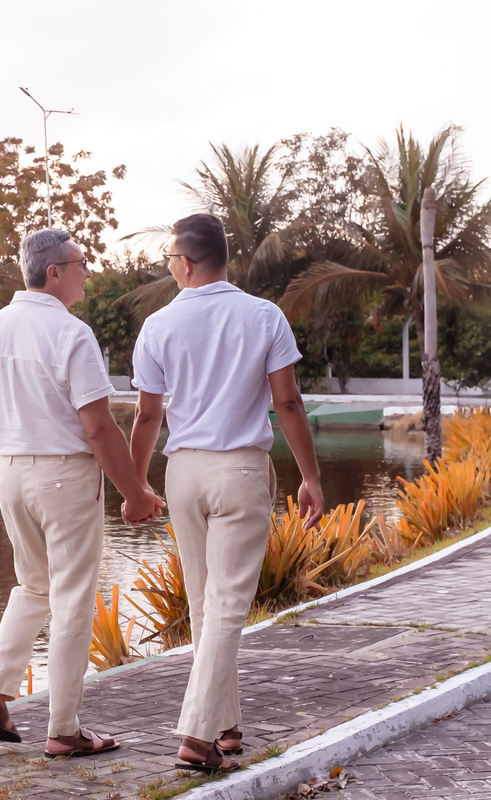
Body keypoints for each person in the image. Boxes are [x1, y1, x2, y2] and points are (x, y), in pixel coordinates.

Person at [127, 213, 323, 773]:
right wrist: (310, 477)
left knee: (206, 603)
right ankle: (196, 736)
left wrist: (137, 483)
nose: (168, 265)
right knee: (226, 607)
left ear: (186, 262)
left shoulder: (158, 325)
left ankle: (225, 728)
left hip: (183, 471)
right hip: (240, 469)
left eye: (169, 256)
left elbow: (147, 415)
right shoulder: (264, 316)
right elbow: (287, 403)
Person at [0, 228, 165, 758]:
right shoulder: (71, 333)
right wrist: (137, 492)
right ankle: (65, 729)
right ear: (54, 272)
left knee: (33, 587)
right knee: (71, 598)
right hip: (64, 477)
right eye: (80, 264)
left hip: (10, 475)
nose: (87, 273)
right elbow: (98, 428)